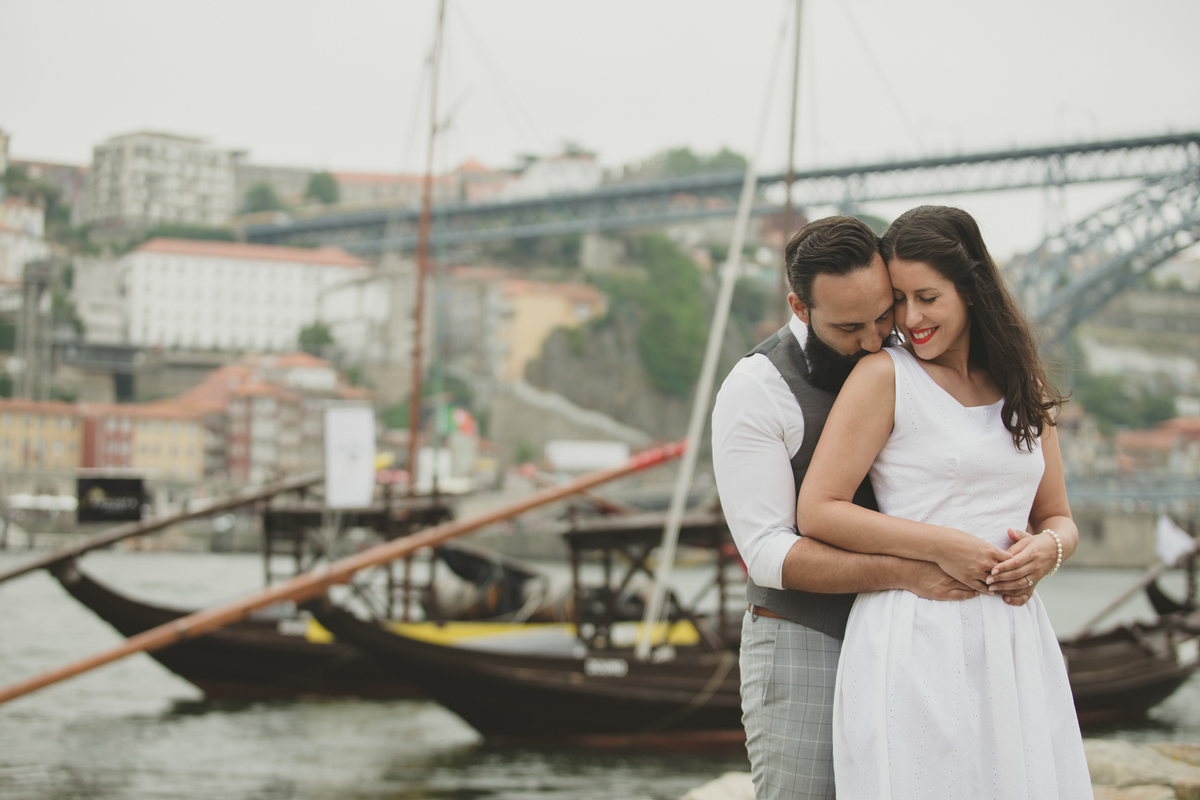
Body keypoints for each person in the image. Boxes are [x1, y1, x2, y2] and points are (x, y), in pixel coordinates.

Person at [711, 215, 1033, 800]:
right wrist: (911, 572)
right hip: (806, 636)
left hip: (915, 641)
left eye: (884, 314)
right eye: (849, 325)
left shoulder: (910, 356)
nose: (875, 337)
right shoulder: (757, 388)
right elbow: (767, 555)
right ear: (800, 307)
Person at [796, 205, 1092, 799]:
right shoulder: (885, 376)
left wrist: (1049, 550)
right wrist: (943, 546)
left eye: (926, 297)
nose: (910, 318)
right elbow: (819, 509)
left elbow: (1057, 515)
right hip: (914, 638)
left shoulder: (1024, 386)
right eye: (898, 300)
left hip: (1014, 641)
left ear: (972, 288)